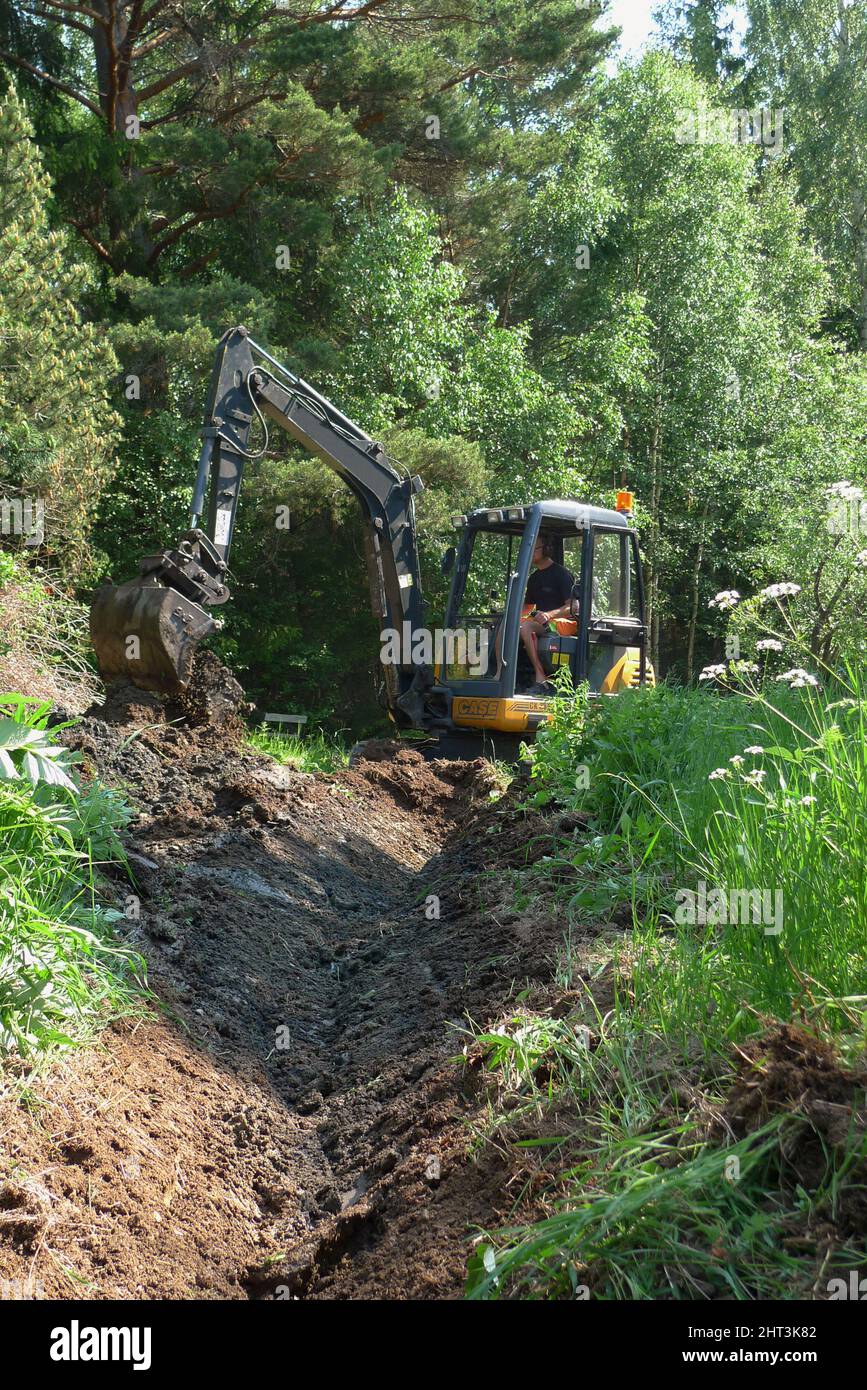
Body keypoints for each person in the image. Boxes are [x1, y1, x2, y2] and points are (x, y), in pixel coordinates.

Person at [494, 533, 574, 692]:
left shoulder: (561, 574)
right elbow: (527, 607)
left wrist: (549, 615)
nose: (530, 553)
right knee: (505, 624)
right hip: (542, 622)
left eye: (534, 549)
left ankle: (540, 677)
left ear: (546, 549)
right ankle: (499, 673)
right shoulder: (534, 578)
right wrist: (509, 615)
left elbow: (572, 607)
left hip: (563, 623)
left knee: (526, 628)